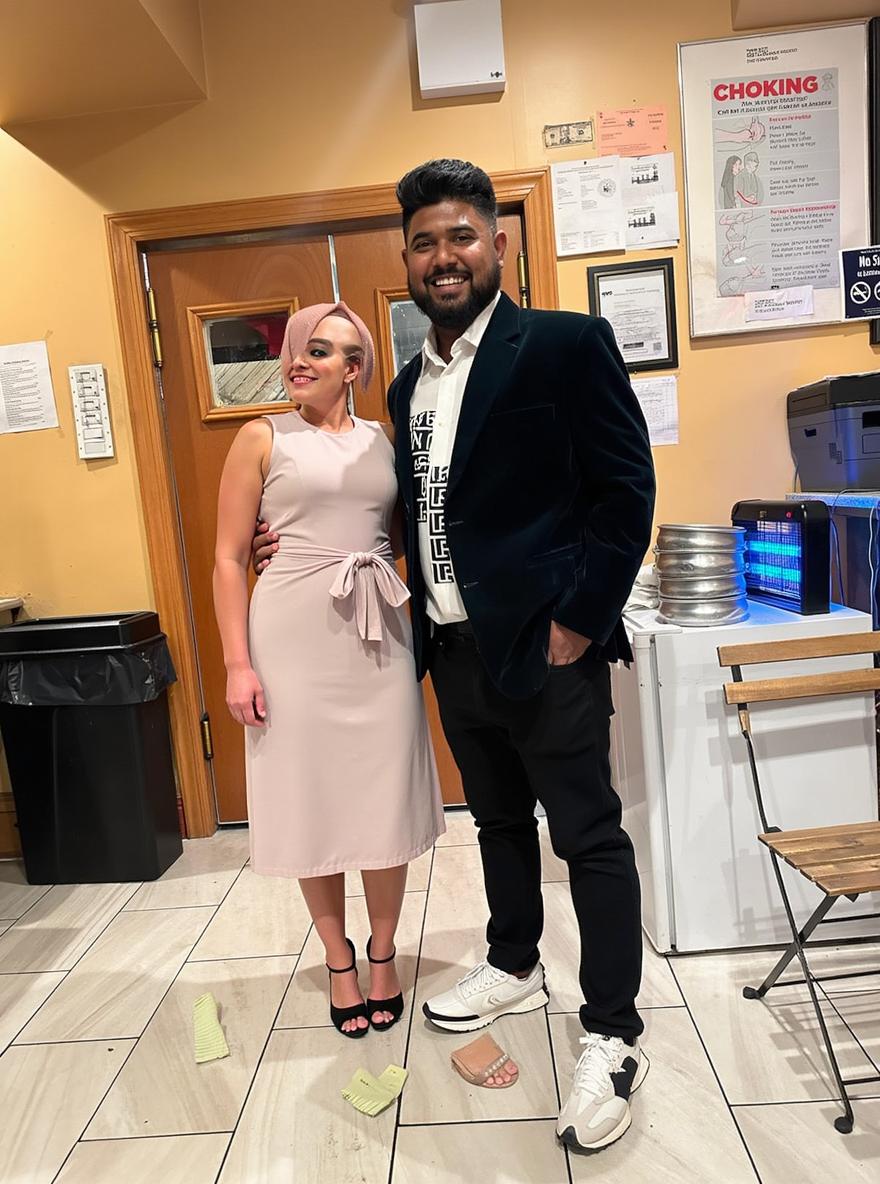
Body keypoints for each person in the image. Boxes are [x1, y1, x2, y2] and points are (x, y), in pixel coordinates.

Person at [254, 159, 655, 1149]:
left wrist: (578, 618)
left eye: (461, 237)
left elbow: (625, 490)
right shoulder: (401, 382)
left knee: (588, 834)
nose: (444, 256)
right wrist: (295, 541)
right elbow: (423, 512)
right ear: (407, 257)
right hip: (450, 649)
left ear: (498, 244)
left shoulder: (564, 344)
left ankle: (612, 1030)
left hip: (549, 646)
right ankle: (514, 960)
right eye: (426, 241)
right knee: (499, 824)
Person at [214, 301, 445, 1039]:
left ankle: (383, 951)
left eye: (322, 351)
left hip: (378, 634)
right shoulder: (259, 437)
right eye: (294, 349)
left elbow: (405, 533)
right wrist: (236, 665)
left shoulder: (384, 439)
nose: (299, 362)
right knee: (310, 797)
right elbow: (225, 558)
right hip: (291, 636)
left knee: (384, 798)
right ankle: (337, 957)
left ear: (355, 368)